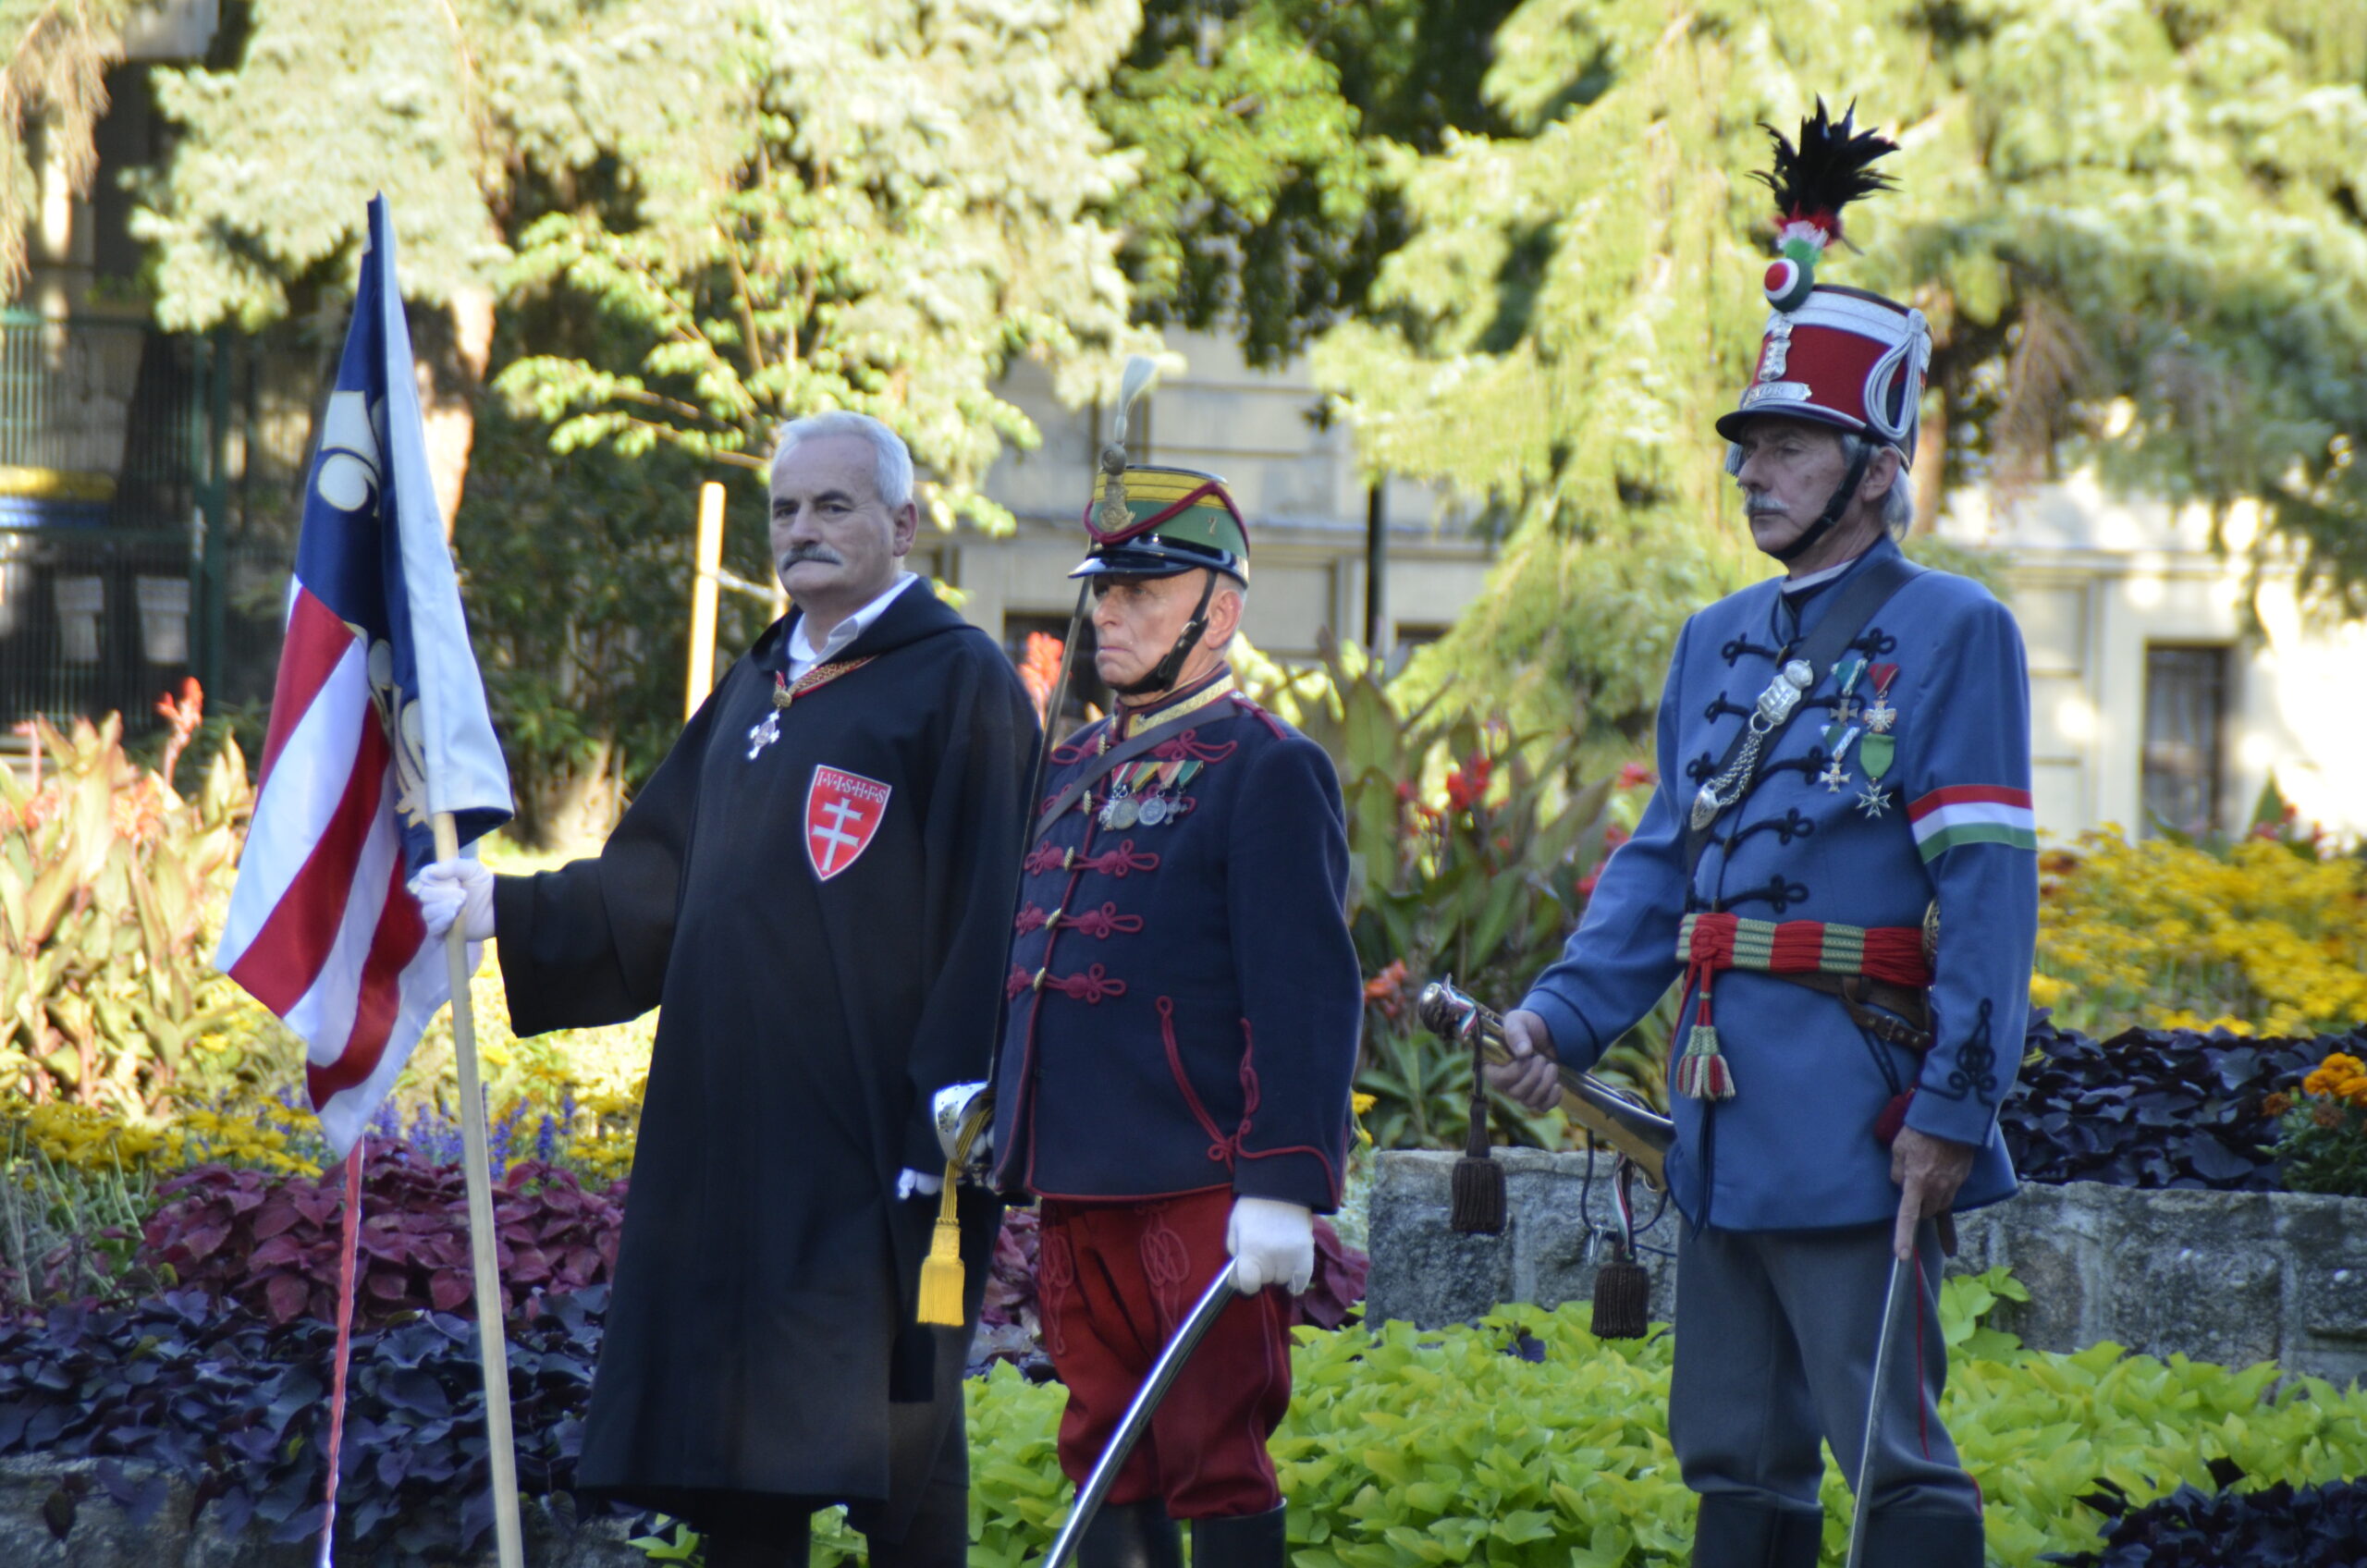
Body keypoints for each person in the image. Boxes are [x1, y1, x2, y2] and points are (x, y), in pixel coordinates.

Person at [1485, 105, 2036, 1568]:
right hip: (1720, 1110)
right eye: (1749, 445)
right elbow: (1660, 867)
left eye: (1790, 445)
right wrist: (1556, 1018)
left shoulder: (1953, 629)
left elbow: (1988, 895)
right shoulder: (1712, 638)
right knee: (1732, 1455)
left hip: (1860, 1108)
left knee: (1891, 1462)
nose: (1753, 470)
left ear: (1875, 466)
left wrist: (1954, 1107)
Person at [411, 411, 1038, 1567]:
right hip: (734, 1143)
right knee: (742, 1451)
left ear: (903, 523)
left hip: (881, 1144)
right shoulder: (761, 679)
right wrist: (511, 905)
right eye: (785, 509)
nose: (801, 529)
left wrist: (952, 1117)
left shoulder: (963, 685)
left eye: (832, 505)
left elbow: (991, 910)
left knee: (905, 1439)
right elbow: (662, 875)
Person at [985, 456, 1363, 1568]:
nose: (1108, 611)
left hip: (1198, 1185)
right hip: (1073, 1178)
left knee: (1214, 1455)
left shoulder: (1265, 768)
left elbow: (1304, 993)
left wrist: (1283, 1183)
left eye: (1141, 591)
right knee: (1102, 1448)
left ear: (1218, 613)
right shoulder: (1070, 768)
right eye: (1104, 588)